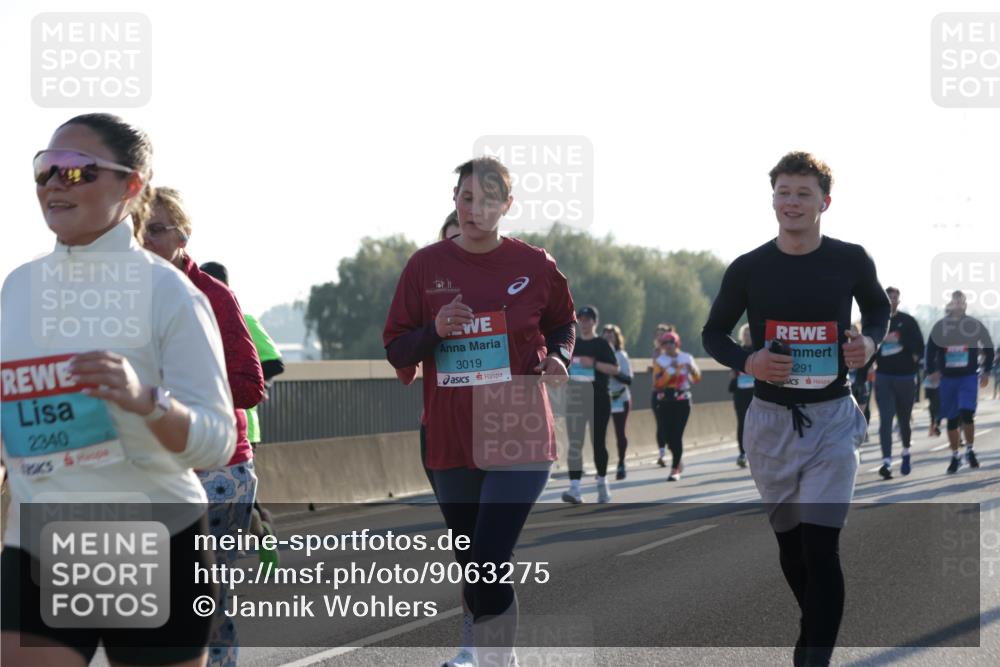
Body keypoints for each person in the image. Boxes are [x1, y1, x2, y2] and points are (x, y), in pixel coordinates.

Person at [2, 113, 236, 667]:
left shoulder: (168, 292)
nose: (54, 183)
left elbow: (218, 441)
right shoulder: (18, 288)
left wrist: (146, 400)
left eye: (76, 170)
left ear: (131, 185)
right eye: (44, 169)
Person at [383, 157, 576, 667]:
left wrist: (560, 356)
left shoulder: (535, 264)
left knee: (489, 558)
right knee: (475, 565)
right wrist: (434, 331)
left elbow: (564, 323)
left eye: (488, 200)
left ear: (507, 205)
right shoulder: (424, 266)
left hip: (518, 426)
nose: (475, 210)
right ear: (455, 200)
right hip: (451, 433)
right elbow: (397, 348)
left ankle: (495, 660)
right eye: (466, 198)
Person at [702, 151, 889, 667]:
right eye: (784, 192)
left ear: (825, 202)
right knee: (793, 549)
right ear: (773, 200)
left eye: (804, 193)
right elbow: (713, 333)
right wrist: (750, 361)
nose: (792, 202)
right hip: (770, 424)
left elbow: (877, 308)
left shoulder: (851, 259)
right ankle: (812, 633)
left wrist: (870, 342)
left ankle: (814, 658)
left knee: (821, 548)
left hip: (832, 420)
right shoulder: (749, 268)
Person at [143, 188, 265, 667]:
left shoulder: (212, 296)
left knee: (199, 597)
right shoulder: (124, 297)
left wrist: (176, 394)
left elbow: (251, 384)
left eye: (156, 229)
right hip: (153, 468)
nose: (145, 239)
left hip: (217, 470)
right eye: (138, 229)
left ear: (183, 237)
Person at [199, 261, 286, 567]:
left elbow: (274, 362)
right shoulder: (189, 317)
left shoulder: (243, 318)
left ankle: (262, 533)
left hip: (243, 427)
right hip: (199, 429)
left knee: (241, 503)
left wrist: (248, 380)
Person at [926, 290, 994, 473]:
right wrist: (931, 371)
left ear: (965, 304)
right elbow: (930, 349)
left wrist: (986, 370)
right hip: (947, 379)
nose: (958, 305)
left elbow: (988, 346)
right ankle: (955, 456)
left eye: (961, 301)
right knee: (952, 420)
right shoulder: (941, 326)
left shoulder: (973, 324)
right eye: (955, 301)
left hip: (968, 377)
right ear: (951, 303)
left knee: (967, 414)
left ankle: (970, 450)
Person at [562, 306, 619, 503]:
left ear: (595, 322)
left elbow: (615, 369)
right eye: (581, 319)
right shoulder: (573, 344)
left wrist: (593, 364)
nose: (584, 323)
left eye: (587, 319)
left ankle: (602, 483)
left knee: (598, 443)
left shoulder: (602, 344)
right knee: (574, 443)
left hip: (599, 400)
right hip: (575, 399)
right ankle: (575, 489)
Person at [872, 287, 925, 478]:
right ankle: (886, 462)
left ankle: (905, 452)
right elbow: (870, 348)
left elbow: (919, 347)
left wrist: (899, 339)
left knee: (904, 419)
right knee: (885, 420)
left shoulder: (908, 321)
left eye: (895, 298)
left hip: (905, 378)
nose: (892, 300)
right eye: (889, 297)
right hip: (883, 377)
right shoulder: (876, 321)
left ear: (899, 301)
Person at [651, 331, 701, 481]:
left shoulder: (686, 357)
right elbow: (657, 383)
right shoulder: (660, 361)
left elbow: (696, 379)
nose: (668, 346)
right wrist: (670, 370)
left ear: (677, 343)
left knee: (677, 435)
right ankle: (677, 459)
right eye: (665, 343)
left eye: (671, 342)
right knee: (667, 435)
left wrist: (693, 370)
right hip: (665, 401)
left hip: (682, 400)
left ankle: (674, 469)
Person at [602, 324, 633, 479]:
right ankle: (601, 466)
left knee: (620, 433)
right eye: (606, 335)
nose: (608, 337)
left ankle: (621, 463)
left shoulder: (621, 355)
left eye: (611, 335)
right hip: (602, 398)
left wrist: (613, 371)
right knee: (600, 434)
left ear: (617, 338)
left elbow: (628, 379)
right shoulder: (598, 355)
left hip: (619, 398)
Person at [728, 324, 754, 468]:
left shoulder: (759, 351)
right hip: (741, 392)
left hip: (756, 392)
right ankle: (742, 453)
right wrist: (733, 374)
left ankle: (756, 452)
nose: (747, 337)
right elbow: (732, 369)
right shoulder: (737, 351)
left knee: (757, 423)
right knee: (742, 422)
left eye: (749, 334)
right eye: (745, 334)